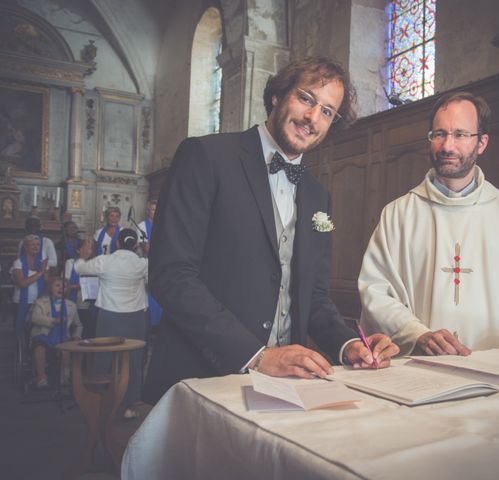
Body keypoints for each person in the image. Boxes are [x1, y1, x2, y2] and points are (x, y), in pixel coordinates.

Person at [143, 56, 399, 404]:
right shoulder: (206, 156)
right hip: (200, 379)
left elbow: (315, 298)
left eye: (327, 111)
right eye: (306, 99)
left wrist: (349, 345)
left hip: (283, 388)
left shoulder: (317, 195)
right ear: (278, 96)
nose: (313, 118)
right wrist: (257, 355)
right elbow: (171, 275)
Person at [358, 91, 499, 361]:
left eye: (461, 135)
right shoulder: (399, 214)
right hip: (420, 369)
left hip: (496, 368)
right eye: (439, 134)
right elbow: (376, 291)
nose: (447, 146)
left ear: (482, 143)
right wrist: (416, 333)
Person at [75, 228, 148, 419]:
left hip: (109, 316)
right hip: (135, 317)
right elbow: (153, 279)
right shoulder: (141, 264)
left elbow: (80, 269)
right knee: (133, 361)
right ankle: (129, 406)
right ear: (135, 245)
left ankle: (98, 402)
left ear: (117, 243)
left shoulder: (104, 261)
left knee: (103, 357)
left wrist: (84, 256)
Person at [30, 277, 82, 387]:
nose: (61, 288)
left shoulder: (71, 305)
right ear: (50, 288)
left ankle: (65, 378)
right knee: (40, 348)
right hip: (43, 335)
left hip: (62, 337)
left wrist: (77, 336)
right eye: (57, 285)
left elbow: (78, 325)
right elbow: (34, 317)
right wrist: (52, 321)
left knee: (66, 351)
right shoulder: (41, 302)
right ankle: (41, 378)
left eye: (64, 286)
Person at [11, 234, 49, 340]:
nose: (36, 247)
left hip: (39, 302)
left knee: (36, 331)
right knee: (22, 332)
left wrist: (45, 272)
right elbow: (22, 283)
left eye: (38, 245)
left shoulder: (42, 263)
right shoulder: (18, 263)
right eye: (32, 245)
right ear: (25, 247)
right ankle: (20, 355)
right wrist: (41, 272)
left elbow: (48, 283)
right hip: (21, 302)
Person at [137, 200, 162, 329]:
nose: (155, 212)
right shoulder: (141, 226)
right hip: (146, 263)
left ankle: (158, 324)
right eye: (152, 209)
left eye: (157, 209)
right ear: (148, 211)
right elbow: (145, 248)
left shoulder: (163, 224)